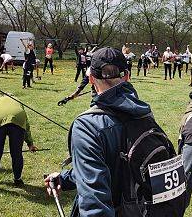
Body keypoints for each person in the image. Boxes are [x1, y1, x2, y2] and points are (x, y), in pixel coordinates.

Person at [44, 47, 180, 216]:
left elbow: (96, 208)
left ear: (92, 79)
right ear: (127, 76)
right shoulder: (145, 115)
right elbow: (113, 164)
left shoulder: (86, 127)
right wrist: (66, 179)